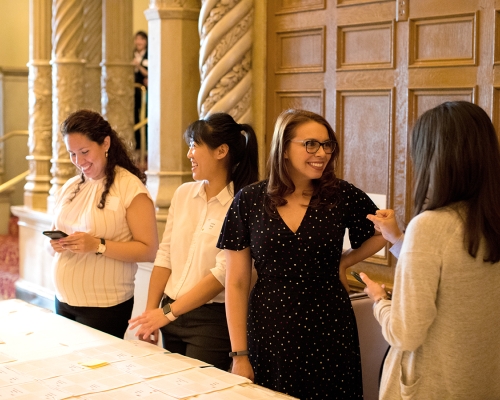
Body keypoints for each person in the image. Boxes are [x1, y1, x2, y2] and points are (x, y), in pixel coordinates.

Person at [217, 109, 387, 399]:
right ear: (283, 149)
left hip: (329, 327)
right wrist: (239, 354)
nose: (321, 153)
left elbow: (382, 232)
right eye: (310, 144)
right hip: (270, 329)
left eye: (327, 144)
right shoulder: (249, 200)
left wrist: (343, 262)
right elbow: (236, 283)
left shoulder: (339, 194)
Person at [361, 101, 500, 399]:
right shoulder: (489, 219)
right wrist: (400, 240)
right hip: (482, 380)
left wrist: (379, 301)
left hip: (435, 386)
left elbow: (404, 333)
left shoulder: (431, 226)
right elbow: (456, 276)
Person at [129, 113, 259, 371]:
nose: (189, 154)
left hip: (210, 322)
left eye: (194, 146)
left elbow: (222, 275)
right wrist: (151, 313)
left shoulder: (242, 203)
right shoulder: (183, 194)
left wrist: (165, 314)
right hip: (170, 314)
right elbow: (164, 255)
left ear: (221, 151)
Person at [46, 109, 158, 338]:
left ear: (105, 143)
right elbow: (52, 243)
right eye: (72, 154)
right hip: (63, 300)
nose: (79, 162)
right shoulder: (69, 187)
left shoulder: (130, 188)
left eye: (84, 152)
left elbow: (149, 250)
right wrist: (56, 245)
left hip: (104, 306)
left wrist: (97, 245)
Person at [132, 31, 148, 151]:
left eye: (141, 39)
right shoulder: (131, 54)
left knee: (145, 116)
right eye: (137, 39)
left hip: (145, 90)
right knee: (134, 116)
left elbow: (150, 73)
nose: (139, 42)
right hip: (133, 90)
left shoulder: (149, 55)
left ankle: (146, 146)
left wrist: (138, 66)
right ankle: (136, 144)